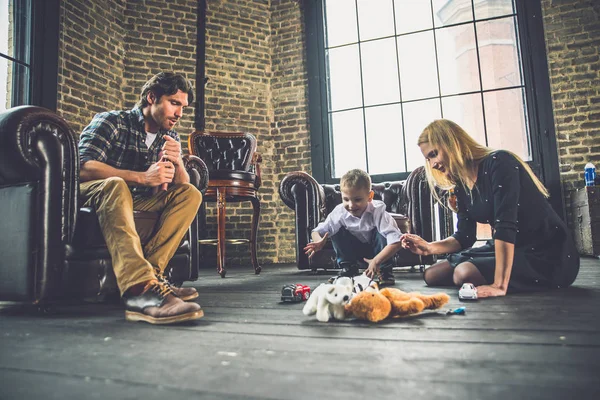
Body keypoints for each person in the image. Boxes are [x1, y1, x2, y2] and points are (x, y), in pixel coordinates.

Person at [401, 119, 580, 297]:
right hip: (507, 246)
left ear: (452, 143)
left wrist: (499, 285)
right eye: (428, 159)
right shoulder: (461, 185)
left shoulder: (500, 162)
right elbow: (464, 237)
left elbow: (505, 226)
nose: (432, 164)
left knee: (463, 273)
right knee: (432, 274)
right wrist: (428, 248)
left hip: (547, 252)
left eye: (434, 154)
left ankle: (503, 278)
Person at [78, 72, 204, 324]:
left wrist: (178, 162)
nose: (179, 113)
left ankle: (153, 278)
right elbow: (82, 167)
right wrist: (142, 177)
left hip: (135, 201)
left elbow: (179, 187)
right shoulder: (112, 121)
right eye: (174, 103)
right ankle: (139, 290)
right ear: (152, 98)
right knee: (116, 185)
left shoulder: (170, 137)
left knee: (190, 193)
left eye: (183, 107)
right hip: (92, 195)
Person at [303, 169, 403, 285]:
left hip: (378, 253)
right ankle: (348, 269)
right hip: (355, 251)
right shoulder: (340, 212)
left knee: (382, 231)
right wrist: (319, 241)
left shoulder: (378, 211)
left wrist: (376, 260)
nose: (351, 205)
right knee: (336, 228)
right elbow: (316, 231)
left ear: (370, 196)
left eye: (357, 200)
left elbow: (396, 241)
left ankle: (385, 271)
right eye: (346, 199)